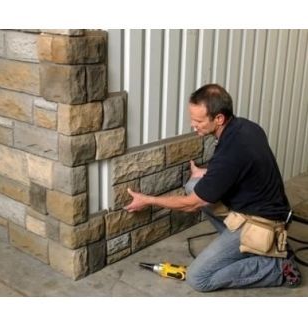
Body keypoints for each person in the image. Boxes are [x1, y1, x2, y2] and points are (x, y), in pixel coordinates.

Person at [124, 83, 301, 292]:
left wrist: (148, 200)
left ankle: (277, 266)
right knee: (194, 184)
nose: (193, 125)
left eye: (198, 120)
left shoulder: (233, 151)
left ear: (219, 119)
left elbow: (191, 205)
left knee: (198, 278)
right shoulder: (244, 127)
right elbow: (241, 169)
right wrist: (206, 174)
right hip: (257, 208)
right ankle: (256, 248)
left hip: (262, 222)